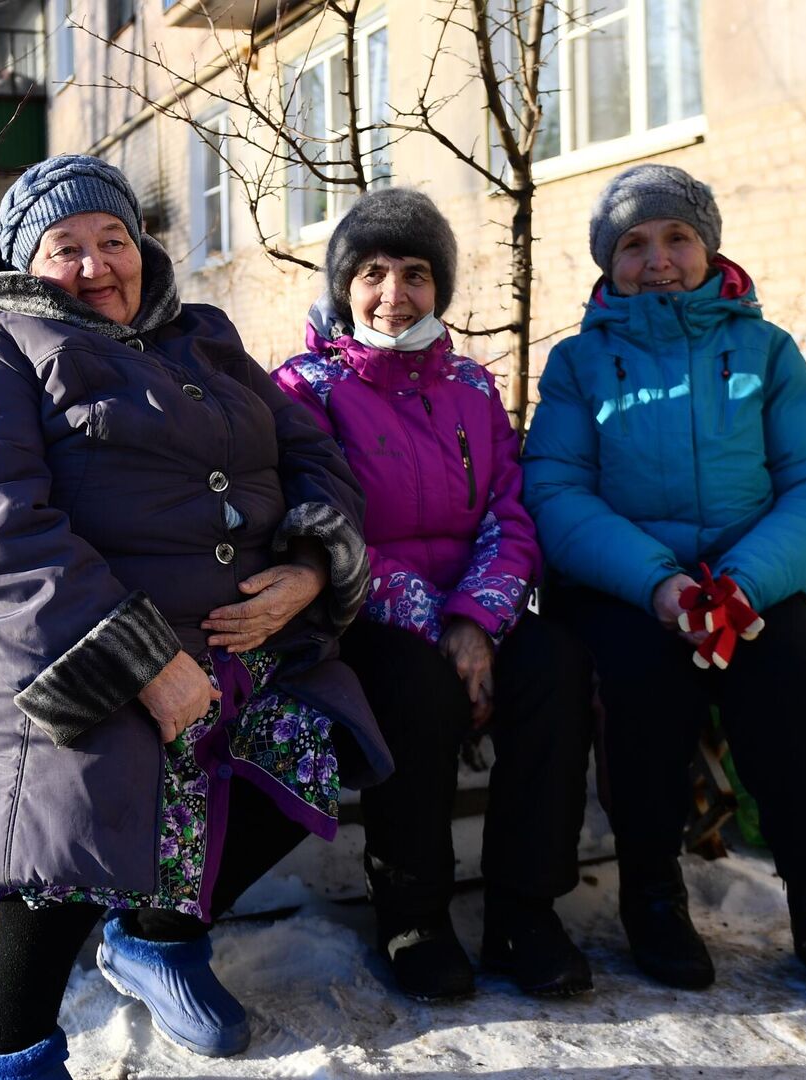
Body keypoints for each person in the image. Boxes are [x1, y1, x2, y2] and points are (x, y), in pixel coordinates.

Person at [0, 155, 391, 1080]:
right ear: (20, 261)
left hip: (228, 632)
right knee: (80, 788)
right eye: (64, 247)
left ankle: (161, 935)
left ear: (141, 247)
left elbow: (312, 452)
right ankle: (7, 1056)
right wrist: (142, 664)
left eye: (112, 240)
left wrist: (312, 566)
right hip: (39, 638)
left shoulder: (201, 336)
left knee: (316, 738)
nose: (95, 265)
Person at [521, 163, 806, 1014]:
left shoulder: (765, 351)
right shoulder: (580, 364)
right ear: (607, 261)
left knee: (790, 683)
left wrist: (741, 585)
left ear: (709, 246)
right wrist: (661, 587)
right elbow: (557, 493)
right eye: (633, 243)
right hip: (628, 586)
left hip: (749, 583)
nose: (657, 259)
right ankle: (651, 892)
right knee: (639, 683)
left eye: (677, 237)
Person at [274, 188, 597, 1001]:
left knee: (555, 664)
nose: (394, 294)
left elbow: (508, 514)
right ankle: (413, 911)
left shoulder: (472, 386)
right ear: (344, 284)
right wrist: (430, 621)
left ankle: (526, 910)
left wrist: (475, 623)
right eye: (373, 272)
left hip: (470, 613)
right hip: (363, 618)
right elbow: (320, 521)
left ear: (439, 287)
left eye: (415, 274)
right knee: (413, 690)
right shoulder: (303, 387)